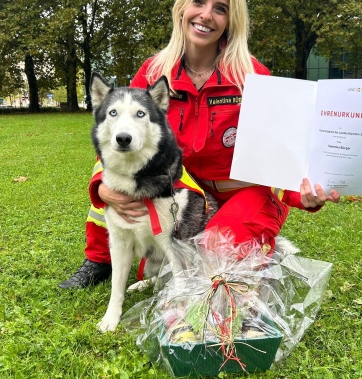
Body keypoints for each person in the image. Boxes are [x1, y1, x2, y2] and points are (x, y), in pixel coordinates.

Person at [58, 0, 340, 289]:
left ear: (231, 20)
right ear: (182, 8)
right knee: (117, 195)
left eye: (220, 8)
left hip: (243, 193)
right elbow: (120, 132)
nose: (206, 15)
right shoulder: (154, 72)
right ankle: (99, 260)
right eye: (199, 2)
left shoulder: (252, 75)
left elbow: (280, 150)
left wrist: (302, 194)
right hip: (183, 192)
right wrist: (100, 186)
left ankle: (257, 248)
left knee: (213, 260)